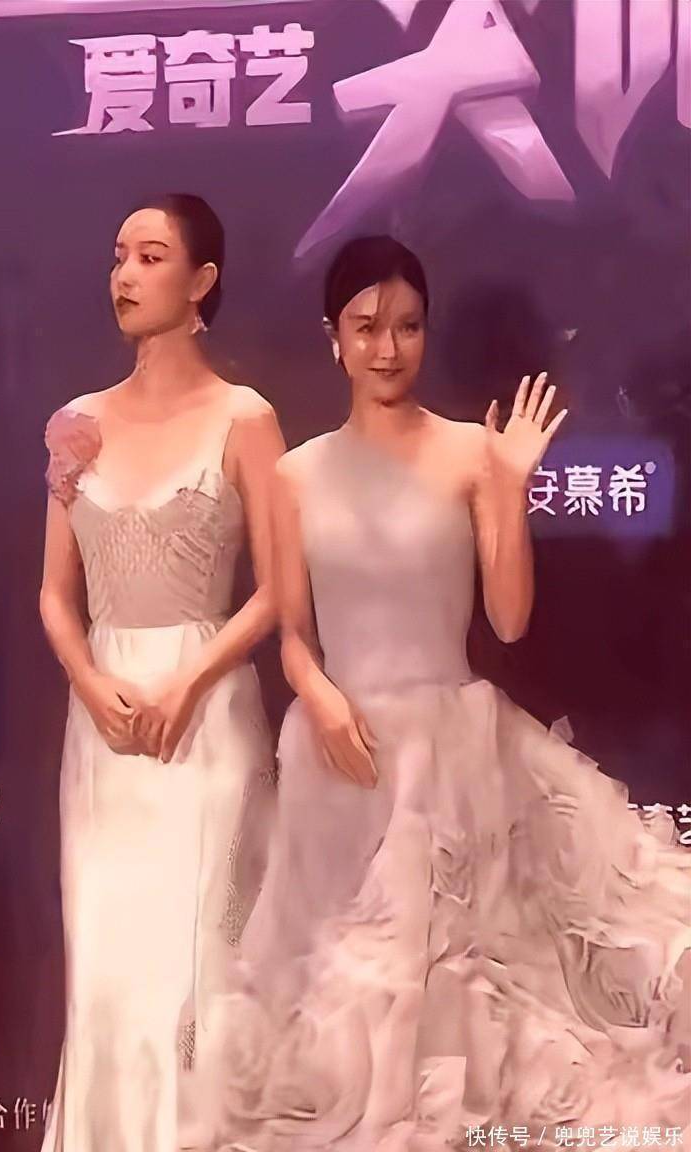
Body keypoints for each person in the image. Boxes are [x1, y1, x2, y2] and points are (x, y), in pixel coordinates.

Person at [217, 236, 691, 1151]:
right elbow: (292, 633)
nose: (387, 347)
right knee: (338, 1006)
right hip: (341, 757)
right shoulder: (295, 473)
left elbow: (508, 621)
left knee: (469, 997)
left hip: (455, 753)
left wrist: (510, 486)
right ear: (332, 337)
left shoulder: (472, 451)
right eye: (366, 327)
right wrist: (318, 695)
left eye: (407, 326)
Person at [39, 193, 284, 1151]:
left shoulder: (245, 417)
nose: (125, 276)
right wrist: (87, 678)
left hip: (207, 714)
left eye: (150, 257)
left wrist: (192, 679)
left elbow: (278, 593)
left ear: (202, 282)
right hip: (103, 728)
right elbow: (53, 594)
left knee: (202, 969)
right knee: (107, 969)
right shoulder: (76, 424)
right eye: (119, 257)